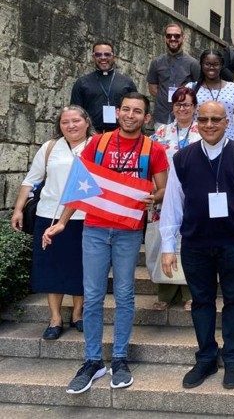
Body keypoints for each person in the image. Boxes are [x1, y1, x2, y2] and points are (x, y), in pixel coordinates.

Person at [43, 92, 169, 394]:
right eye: (126, 109)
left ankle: (121, 358)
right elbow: (79, 185)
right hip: (95, 228)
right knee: (94, 294)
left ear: (146, 118)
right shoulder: (98, 143)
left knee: (125, 295)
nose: (130, 115)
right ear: (118, 113)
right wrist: (61, 221)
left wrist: (155, 197)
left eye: (137, 111)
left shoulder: (154, 149)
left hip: (127, 230)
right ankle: (93, 360)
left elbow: (163, 187)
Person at [160, 101, 234, 390]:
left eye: (216, 120)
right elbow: (173, 203)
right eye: (205, 119)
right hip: (196, 244)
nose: (210, 125)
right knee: (201, 302)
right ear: (197, 121)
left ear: (227, 123)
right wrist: (168, 247)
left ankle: (232, 357)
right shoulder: (182, 158)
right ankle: (206, 357)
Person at [10, 106, 93, 340]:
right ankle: (55, 318)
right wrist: (18, 209)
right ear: (60, 125)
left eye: (76, 121)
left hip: (85, 217)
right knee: (51, 267)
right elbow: (31, 180)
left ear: (86, 122)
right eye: (65, 122)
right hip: (49, 216)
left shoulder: (96, 146)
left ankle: (78, 313)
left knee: (81, 267)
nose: (71, 126)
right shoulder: (49, 148)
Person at [148, 86, 202, 312]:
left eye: (187, 104)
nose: (182, 108)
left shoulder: (204, 131)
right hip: (165, 193)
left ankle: (191, 292)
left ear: (195, 107)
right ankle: (165, 292)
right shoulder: (160, 134)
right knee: (162, 240)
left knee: (191, 242)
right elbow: (150, 164)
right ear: (173, 107)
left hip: (194, 195)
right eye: (178, 104)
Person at [70, 41, 137, 133]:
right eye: (98, 55)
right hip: (92, 134)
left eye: (107, 54)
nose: (103, 58)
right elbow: (75, 112)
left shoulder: (127, 82)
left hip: (120, 133)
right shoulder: (82, 82)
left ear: (114, 57)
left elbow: (135, 108)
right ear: (93, 57)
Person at [147, 23, 201, 129]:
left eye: (177, 36)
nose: (173, 38)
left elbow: (198, 88)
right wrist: (164, 98)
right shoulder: (156, 62)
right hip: (161, 116)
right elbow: (152, 88)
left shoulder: (193, 63)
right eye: (169, 36)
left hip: (184, 116)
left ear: (183, 38)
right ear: (165, 38)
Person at [187, 50, 234, 141]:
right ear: (201, 65)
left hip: (228, 141)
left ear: (221, 66)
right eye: (207, 64)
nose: (211, 67)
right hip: (198, 140)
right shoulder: (191, 89)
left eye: (216, 64)